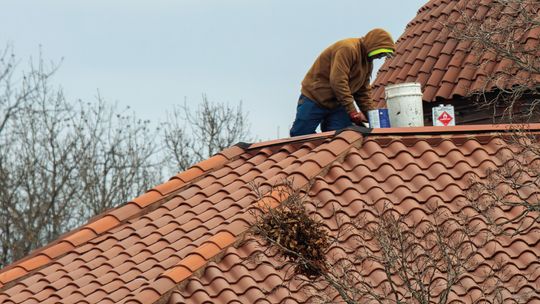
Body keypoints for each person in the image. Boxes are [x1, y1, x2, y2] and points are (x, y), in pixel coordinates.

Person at [289, 28, 396, 137]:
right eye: (380, 53)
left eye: (383, 55)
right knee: (300, 135)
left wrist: (372, 117)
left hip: (337, 103)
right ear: (373, 46)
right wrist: (353, 111)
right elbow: (338, 82)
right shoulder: (347, 49)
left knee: (340, 137)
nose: (379, 57)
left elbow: (363, 92)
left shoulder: (367, 63)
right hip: (315, 98)